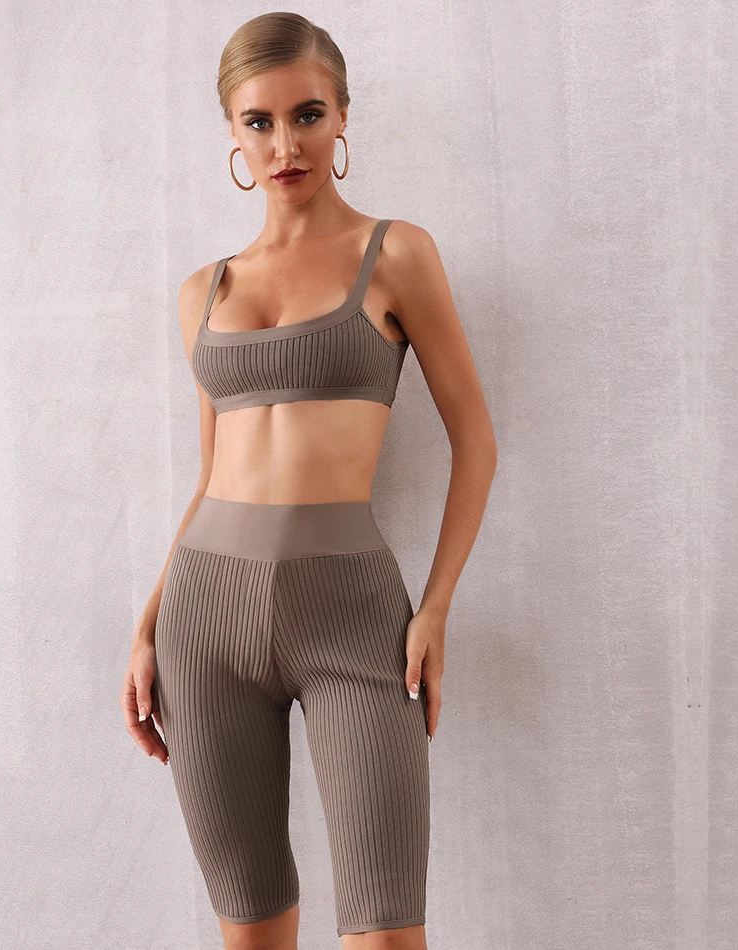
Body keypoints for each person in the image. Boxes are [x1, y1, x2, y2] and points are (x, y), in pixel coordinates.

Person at [120, 12, 497, 949]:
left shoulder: (396, 254)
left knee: (385, 930)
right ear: (233, 133)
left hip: (352, 615)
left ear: (342, 117)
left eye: (307, 115)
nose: (285, 145)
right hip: (204, 621)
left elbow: (476, 441)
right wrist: (150, 620)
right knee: (250, 930)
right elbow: (211, 474)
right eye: (259, 121)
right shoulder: (202, 291)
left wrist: (436, 609)